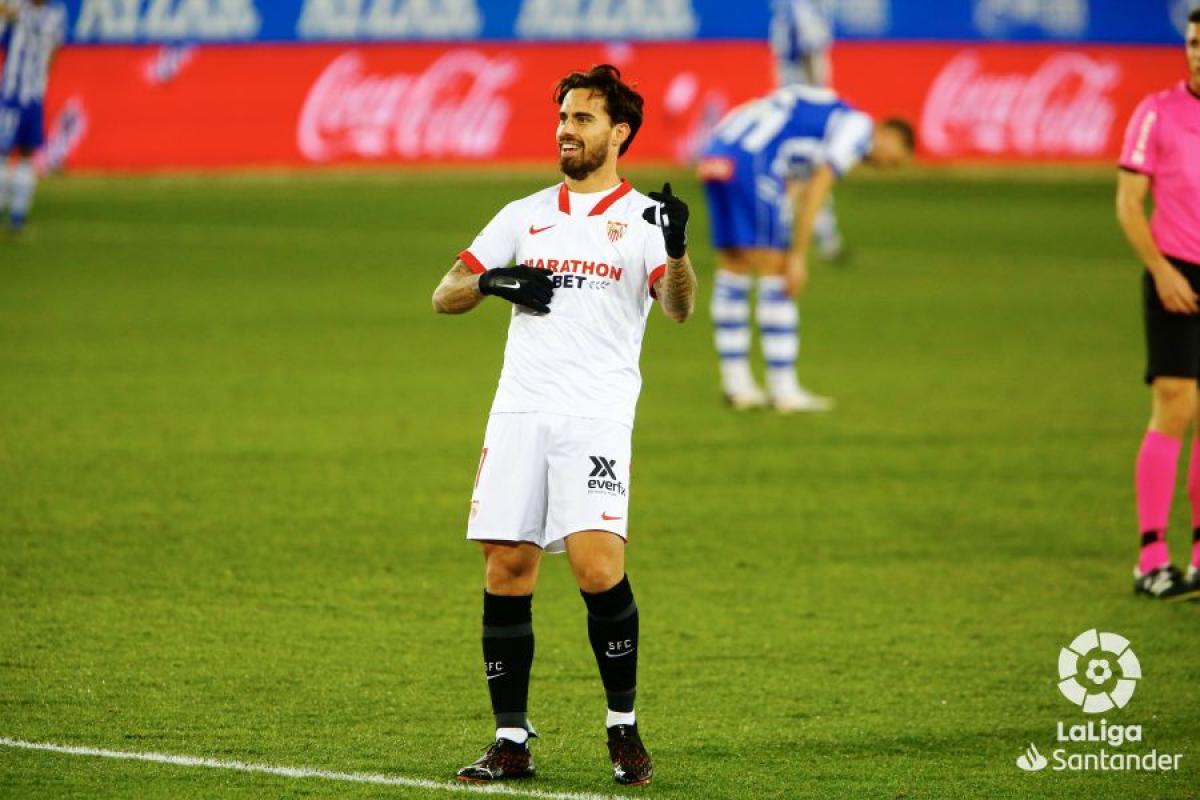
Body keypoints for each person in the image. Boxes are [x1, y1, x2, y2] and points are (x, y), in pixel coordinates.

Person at [431, 64, 697, 785]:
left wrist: (675, 252)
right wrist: (489, 281)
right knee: (505, 568)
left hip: (594, 415)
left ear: (620, 133)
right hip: (519, 410)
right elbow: (443, 292)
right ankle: (511, 740)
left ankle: (623, 730)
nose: (566, 131)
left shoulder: (643, 217)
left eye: (582, 120)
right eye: (563, 119)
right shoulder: (524, 214)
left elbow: (676, 308)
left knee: (596, 567)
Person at [698, 85, 913, 412]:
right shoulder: (858, 127)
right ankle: (784, 389)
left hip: (717, 152)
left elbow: (796, 181)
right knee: (777, 270)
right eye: (892, 158)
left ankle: (736, 384)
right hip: (752, 160)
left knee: (734, 264)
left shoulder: (826, 120)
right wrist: (797, 256)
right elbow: (818, 188)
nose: (886, 165)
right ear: (886, 133)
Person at [1117, 7, 1200, 602]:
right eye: (1194, 42)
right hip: (1176, 271)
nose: (1198, 52)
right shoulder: (1157, 112)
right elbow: (1127, 202)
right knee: (1175, 403)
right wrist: (1159, 269)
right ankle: (1152, 557)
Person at [770, 0, 846, 261]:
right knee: (809, 169)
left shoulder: (793, 6)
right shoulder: (802, 7)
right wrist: (820, 99)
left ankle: (819, 235)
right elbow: (810, 52)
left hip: (792, 98)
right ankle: (820, 236)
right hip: (805, 100)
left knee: (799, 170)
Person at [0, 0, 65, 234]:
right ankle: (16, 217)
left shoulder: (21, 9)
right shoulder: (53, 16)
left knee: (11, 154)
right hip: (27, 96)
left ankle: (14, 215)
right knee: (19, 155)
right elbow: (55, 50)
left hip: (17, 95)